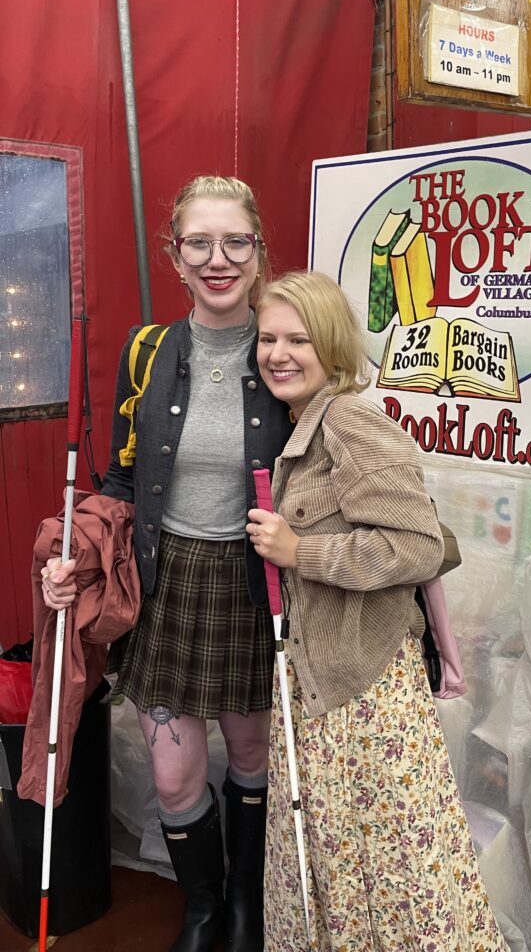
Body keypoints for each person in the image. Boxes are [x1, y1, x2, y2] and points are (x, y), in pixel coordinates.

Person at [41, 175, 293, 952]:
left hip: (258, 585)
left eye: (236, 242)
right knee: (177, 778)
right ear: (175, 255)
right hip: (168, 583)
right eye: (199, 243)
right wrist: (74, 558)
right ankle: (204, 907)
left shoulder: (291, 348)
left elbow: (336, 461)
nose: (219, 260)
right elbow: (119, 480)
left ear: (258, 251)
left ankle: (246, 909)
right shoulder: (148, 351)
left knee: (252, 759)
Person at [246, 271, 507, 952]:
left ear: (330, 343)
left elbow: (417, 546)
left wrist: (301, 550)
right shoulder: (305, 421)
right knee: (344, 861)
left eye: (297, 338)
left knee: (391, 867)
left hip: (364, 694)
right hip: (324, 684)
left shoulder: (350, 419)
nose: (278, 352)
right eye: (268, 338)